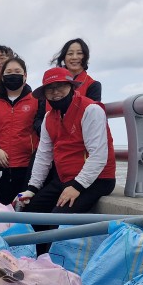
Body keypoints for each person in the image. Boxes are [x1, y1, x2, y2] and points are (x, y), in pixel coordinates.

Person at [19, 67, 116, 216]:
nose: (55, 92)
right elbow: (43, 155)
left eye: (60, 86)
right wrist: (32, 188)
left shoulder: (91, 110)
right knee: (30, 212)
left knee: (57, 220)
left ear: (71, 86)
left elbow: (98, 155)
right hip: (65, 179)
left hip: (98, 179)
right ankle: (41, 240)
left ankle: (51, 239)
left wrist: (77, 186)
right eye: (49, 88)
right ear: (44, 94)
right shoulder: (48, 117)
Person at [0, 55, 44, 204]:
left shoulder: (38, 100)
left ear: (25, 75)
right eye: (8, 72)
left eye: (17, 71)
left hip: (27, 168)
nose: (13, 75)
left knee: (22, 212)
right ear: (2, 77)